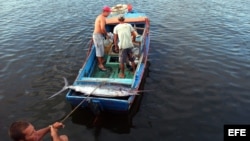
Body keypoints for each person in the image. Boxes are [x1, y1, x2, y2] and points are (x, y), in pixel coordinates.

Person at [93, 6, 111, 71]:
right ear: (105, 12)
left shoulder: (99, 17)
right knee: (99, 50)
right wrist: (106, 35)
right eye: (108, 12)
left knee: (101, 48)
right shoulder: (102, 18)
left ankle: (102, 60)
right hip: (97, 35)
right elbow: (102, 28)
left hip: (99, 35)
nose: (109, 14)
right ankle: (100, 64)